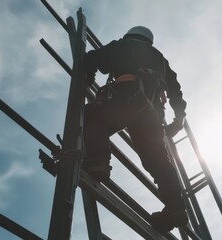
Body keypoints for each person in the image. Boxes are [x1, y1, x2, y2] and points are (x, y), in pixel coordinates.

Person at [82, 26, 188, 232]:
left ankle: (98, 162)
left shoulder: (123, 45)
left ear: (130, 35)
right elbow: (176, 92)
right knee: (157, 160)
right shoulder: (161, 61)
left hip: (125, 98)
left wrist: (87, 77)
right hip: (152, 114)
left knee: (91, 116)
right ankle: (176, 208)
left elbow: (91, 58)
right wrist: (179, 118)